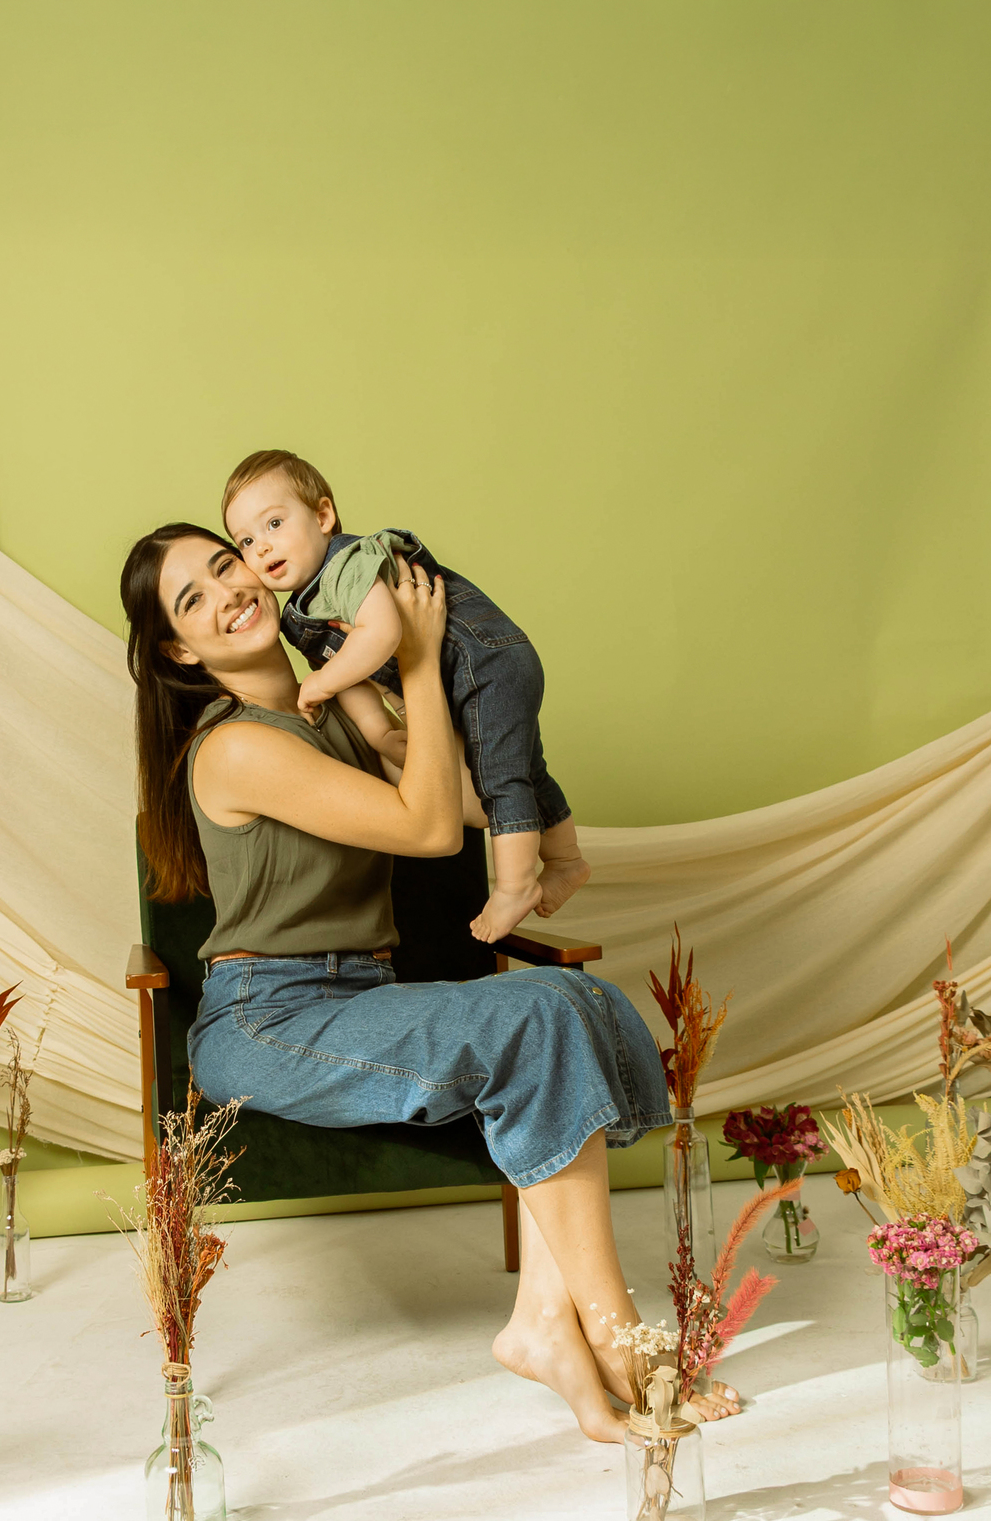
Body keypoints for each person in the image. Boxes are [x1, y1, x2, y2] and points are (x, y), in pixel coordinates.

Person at [120, 520, 740, 1442]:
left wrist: (427, 684)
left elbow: (471, 798)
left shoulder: (336, 708)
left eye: (225, 565)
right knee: (538, 1023)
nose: (229, 594)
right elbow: (430, 830)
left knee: (576, 1000)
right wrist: (413, 655)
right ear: (180, 648)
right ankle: (621, 1342)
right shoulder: (236, 746)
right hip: (266, 1018)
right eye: (193, 599)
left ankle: (543, 1325)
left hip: (360, 994)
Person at [221, 449, 591, 944]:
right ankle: (566, 859)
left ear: (323, 516)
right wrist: (378, 731)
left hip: (486, 664)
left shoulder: (347, 564)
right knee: (526, 769)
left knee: (500, 777)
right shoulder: (300, 614)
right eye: (246, 541)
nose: (263, 546)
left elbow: (382, 633)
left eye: (274, 523)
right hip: (456, 680)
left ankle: (515, 885)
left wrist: (320, 686)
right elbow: (345, 673)